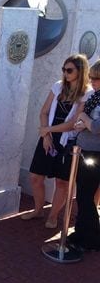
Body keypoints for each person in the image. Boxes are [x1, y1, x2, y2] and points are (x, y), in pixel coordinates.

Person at [21, 54, 91, 229]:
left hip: (68, 142)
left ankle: (53, 216)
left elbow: (74, 123)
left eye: (69, 70)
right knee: (35, 177)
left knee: (62, 182)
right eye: (63, 69)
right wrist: (46, 136)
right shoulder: (58, 87)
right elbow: (44, 112)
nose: (65, 73)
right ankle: (38, 210)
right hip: (48, 137)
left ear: (80, 71)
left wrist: (48, 130)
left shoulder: (87, 93)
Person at [67, 60, 100, 251]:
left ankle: (91, 237)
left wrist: (84, 120)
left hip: (94, 154)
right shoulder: (95, 97)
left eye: (96, 79)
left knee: (85, 197)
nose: (93, 82)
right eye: (92, 78)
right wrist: (83, 122)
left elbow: (96, 127)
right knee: (84, 196)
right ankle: (83, 232)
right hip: (85, 150)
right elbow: (84, 122)